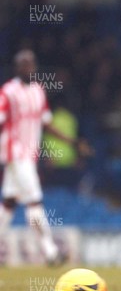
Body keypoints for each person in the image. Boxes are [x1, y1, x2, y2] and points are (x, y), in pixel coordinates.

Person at [0, 50, 88, 266]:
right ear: (16, 67)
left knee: (9, 203)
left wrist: (71, 141)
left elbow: (46, 122)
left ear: (35, 67)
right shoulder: (8, 92)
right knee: (34, 201)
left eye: (30, 64)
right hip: (15, 153)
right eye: (23, 64)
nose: (27, 68)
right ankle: (50, 252)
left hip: (29, 155)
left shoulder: (38, 91)